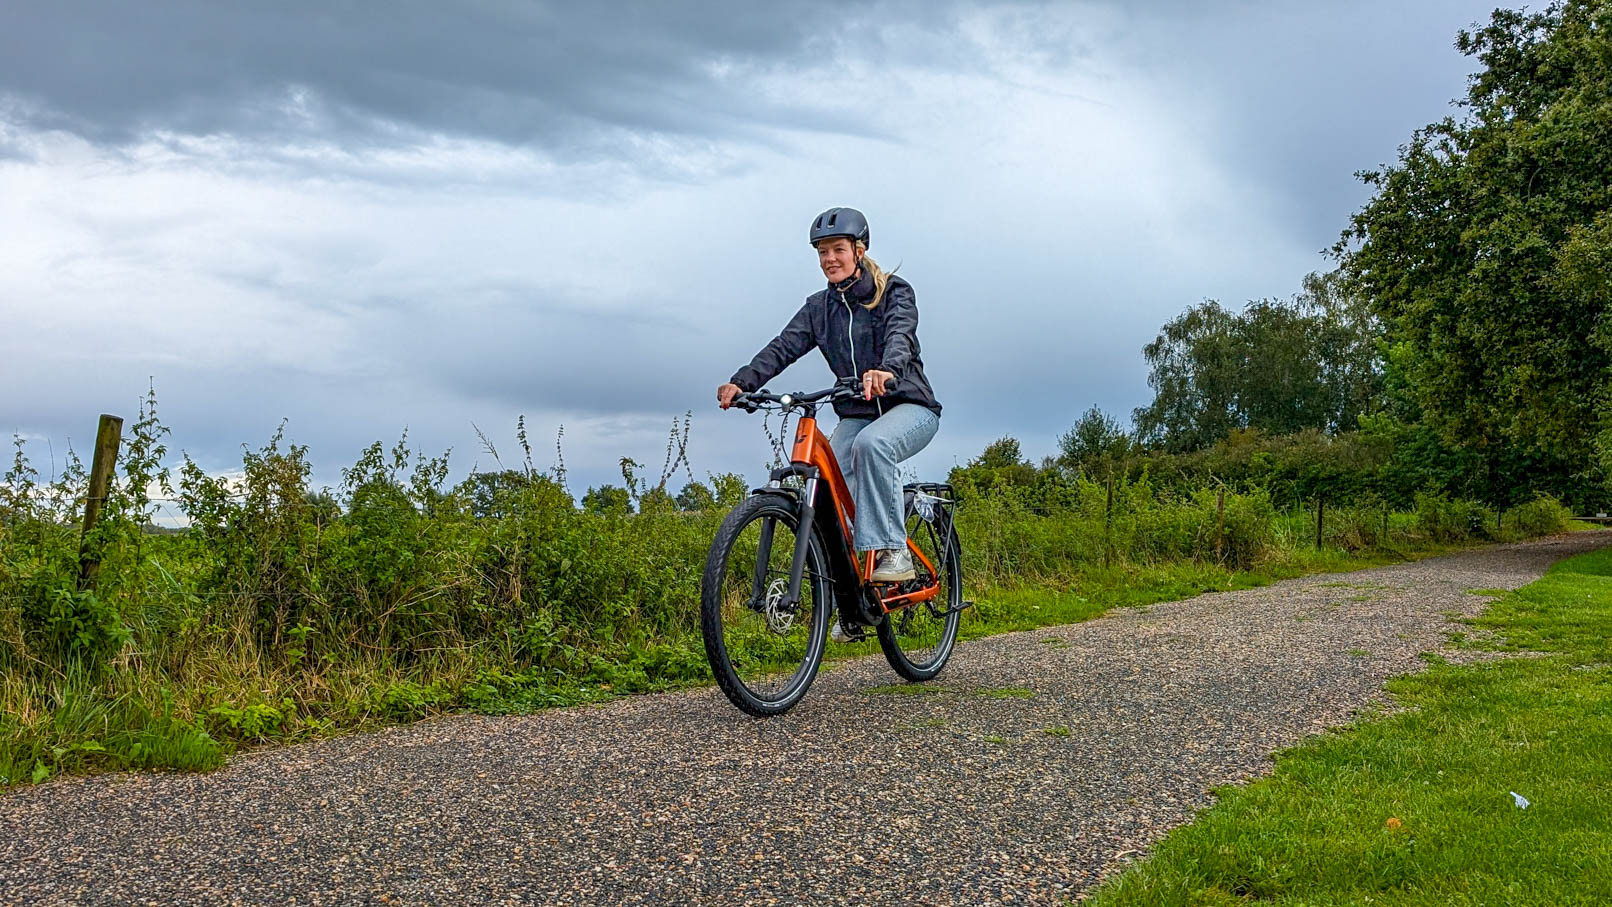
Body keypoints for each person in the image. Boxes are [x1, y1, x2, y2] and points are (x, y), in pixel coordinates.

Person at [718, 207, 942, 640]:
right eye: (822, 252)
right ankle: (851, 600)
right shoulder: (819, 308)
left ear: (859, 250)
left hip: (910, 407)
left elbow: (901, 335)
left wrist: (887, 370)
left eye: (838, 249)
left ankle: (892, 552)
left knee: (871, 448)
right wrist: (741, 382)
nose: (829, 259)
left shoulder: (893, 292)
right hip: (857, 414)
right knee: (824, 481)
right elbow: (783, 347)